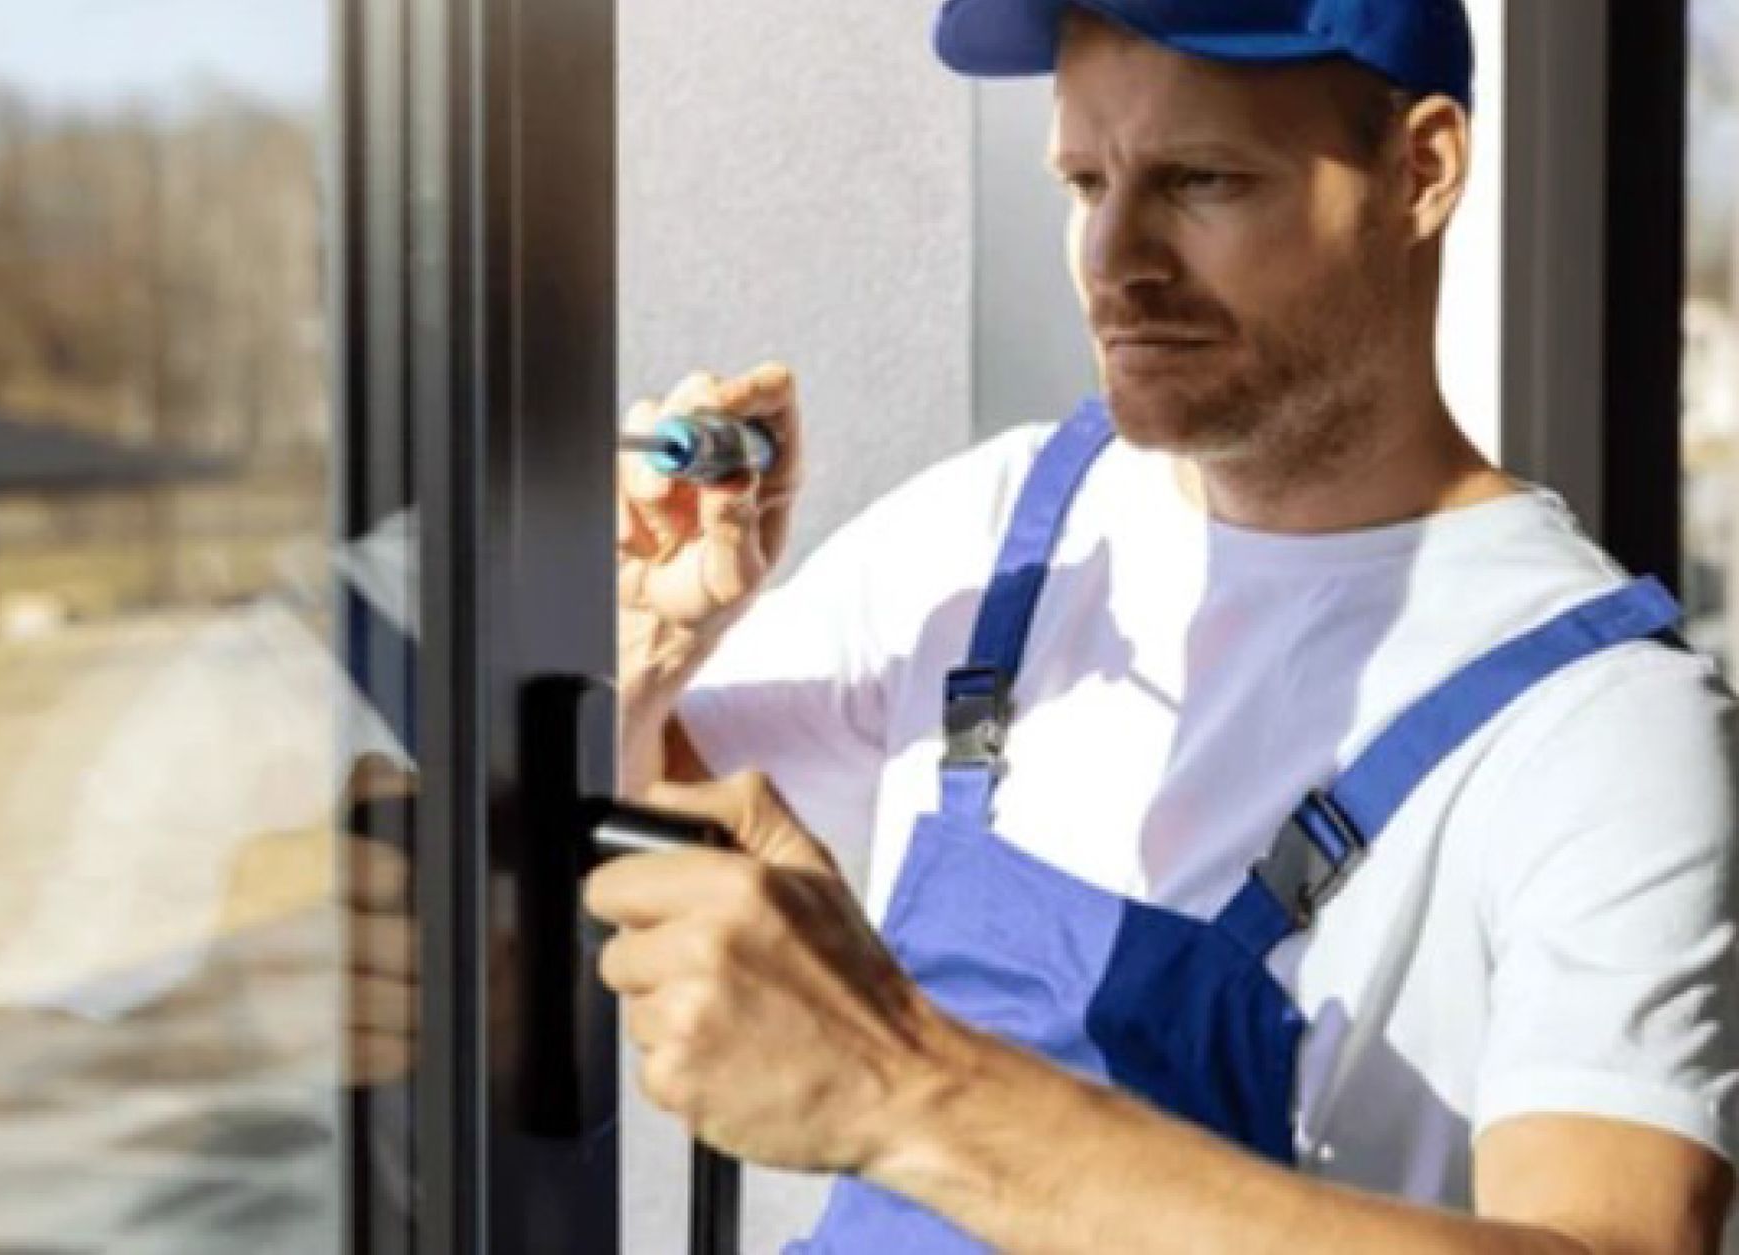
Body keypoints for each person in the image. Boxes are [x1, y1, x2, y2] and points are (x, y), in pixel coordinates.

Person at [355, 1, 1739, 1250]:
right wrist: (644, 667)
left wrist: (906, 1089)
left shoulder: (1601, 728)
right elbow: (608, 874)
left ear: (1422, 169)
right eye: (1086, 181)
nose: (1115, 259)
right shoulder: (1007, 526)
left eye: (1202, 181)